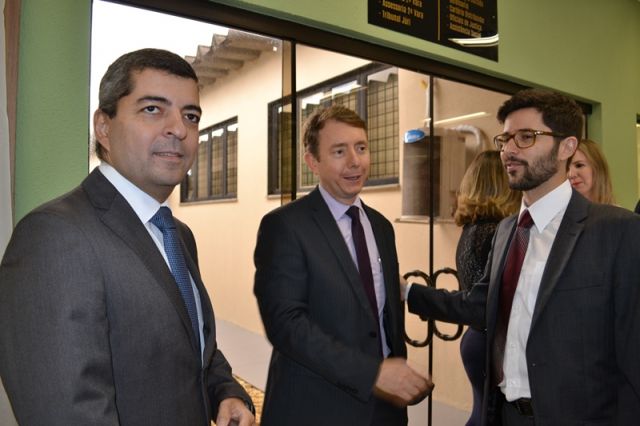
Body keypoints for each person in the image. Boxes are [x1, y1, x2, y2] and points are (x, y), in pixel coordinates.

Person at [0, 48, 255, 426]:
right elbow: (69, 413)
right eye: (153, 109)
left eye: (191, 115)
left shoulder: (177, 235)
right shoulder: (55, 236)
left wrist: (225, 390)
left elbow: (192, 342)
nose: (179, 129)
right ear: (104, 127)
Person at [403, 89, 640, 425]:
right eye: (505, 139)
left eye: (526, 137)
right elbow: (480, 305)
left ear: (566, 147)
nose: (509, 150)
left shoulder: (618, 230)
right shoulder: (506, 231)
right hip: (506, 415)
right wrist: (406, 291)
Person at [253, 105, 432, 426]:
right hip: (317, 408)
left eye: (361, 148)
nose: (355, 161)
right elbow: (286, 324)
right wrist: (372, 373)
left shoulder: (381, 227)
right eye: (339, 151)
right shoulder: (285, 226)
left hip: (385, 410)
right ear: (313, 162)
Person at [453, 150, 521, 426]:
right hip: (491, 341)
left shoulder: (471, 230)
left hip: (475, 338)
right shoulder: (498, 232)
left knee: (482, 414)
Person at [567, 138, 615, 204]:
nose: (571, 174)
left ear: (598, 167)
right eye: (566, 168)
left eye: (579, 165)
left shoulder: (617, 210)